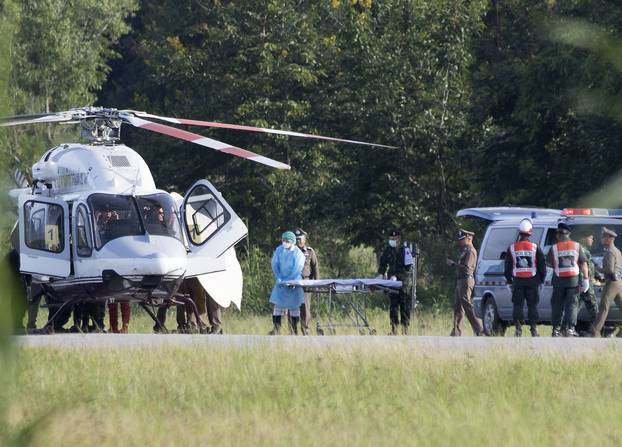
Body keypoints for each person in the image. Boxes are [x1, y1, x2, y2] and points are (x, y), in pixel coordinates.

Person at [503, 218, 546, 337]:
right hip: (533, 281)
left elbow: (507, 266)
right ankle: (534, 329)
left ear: (519, 232)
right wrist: (541, 280)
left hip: (517, 281)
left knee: (517, 305)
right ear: (530, 232)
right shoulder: (535, 247)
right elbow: (542, 265)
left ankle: (518, 329)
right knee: (532, 305)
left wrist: (509, 280)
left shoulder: (512, 247)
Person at [546, 222, 589, 337]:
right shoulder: (577, 246)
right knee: (572, 305)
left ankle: (556, 329)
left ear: (558, 235)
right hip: (573, 281)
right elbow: (583, 263)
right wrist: (586, 279)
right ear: (568, 234)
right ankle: (570, 329)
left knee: (557, 305)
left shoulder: (554, 248)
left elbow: (549, 263)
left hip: (559, 281)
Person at [447, 229, 483, 336]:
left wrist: (453, 264)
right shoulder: (465, 250)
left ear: (469, 238)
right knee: (458, 306)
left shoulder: (471, 251)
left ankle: (479, 329)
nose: (461, 242)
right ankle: (456, 331)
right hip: (461, 280)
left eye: (463, 239)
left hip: (466, 280)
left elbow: (467, 268)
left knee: (467, 305)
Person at [269, 231, 305, 335]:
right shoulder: (279, 250)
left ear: (292, 241)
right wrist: (279, 277)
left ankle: (293, 331)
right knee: (278, 306)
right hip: (281, 283)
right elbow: (275, 264)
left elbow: (297, 268)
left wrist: (290, 280)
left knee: (294, 307)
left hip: (293, 283)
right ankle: (276, 329)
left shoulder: (297, 253)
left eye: (287, 241)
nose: (285, 242)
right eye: (283, 240)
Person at [377, 229, 412, 335]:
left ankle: (405, 330)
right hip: (392, 282)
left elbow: (408, 267)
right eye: (390, 239)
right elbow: (383, 264)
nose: (392, 240)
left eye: (394, 239)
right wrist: (381, 274)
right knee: (393, 306)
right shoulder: (388, 250)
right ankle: (394, 329)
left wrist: (397, 276)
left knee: (404, 306)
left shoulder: (405, 250)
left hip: (404, 282)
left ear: (399, 239)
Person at [589, 227, 622, 337]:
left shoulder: (610, 252)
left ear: (609, 239)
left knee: (604, 307)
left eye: (604, 237)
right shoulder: (617, 251)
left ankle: (595, 331)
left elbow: (609, 270)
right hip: (619, 282)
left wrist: (597, 269)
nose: (602, 239)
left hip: (612, 282)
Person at [294, 227, 319, 335]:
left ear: (305, 239)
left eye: (300, 238)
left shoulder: (310, 251)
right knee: (293, 307)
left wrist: (316, 284)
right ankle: (292, 329)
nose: (298, 240)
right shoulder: (290, 251)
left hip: (306, 283)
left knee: (305, 307)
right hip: (293, 283)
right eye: (296, 239)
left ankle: (305, 329)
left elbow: (315, 268)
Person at [575, 230, 600, 328]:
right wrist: (585, 281)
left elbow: (589, 266)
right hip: (584, 283)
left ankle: (566, 327)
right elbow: (583, 267)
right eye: (590, 238)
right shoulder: (582, 250)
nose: (592, 240)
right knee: (593, 307)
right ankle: (598, 328)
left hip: (584, 282)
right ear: (583, 239)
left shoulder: (583, 250)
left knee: (575, 306)